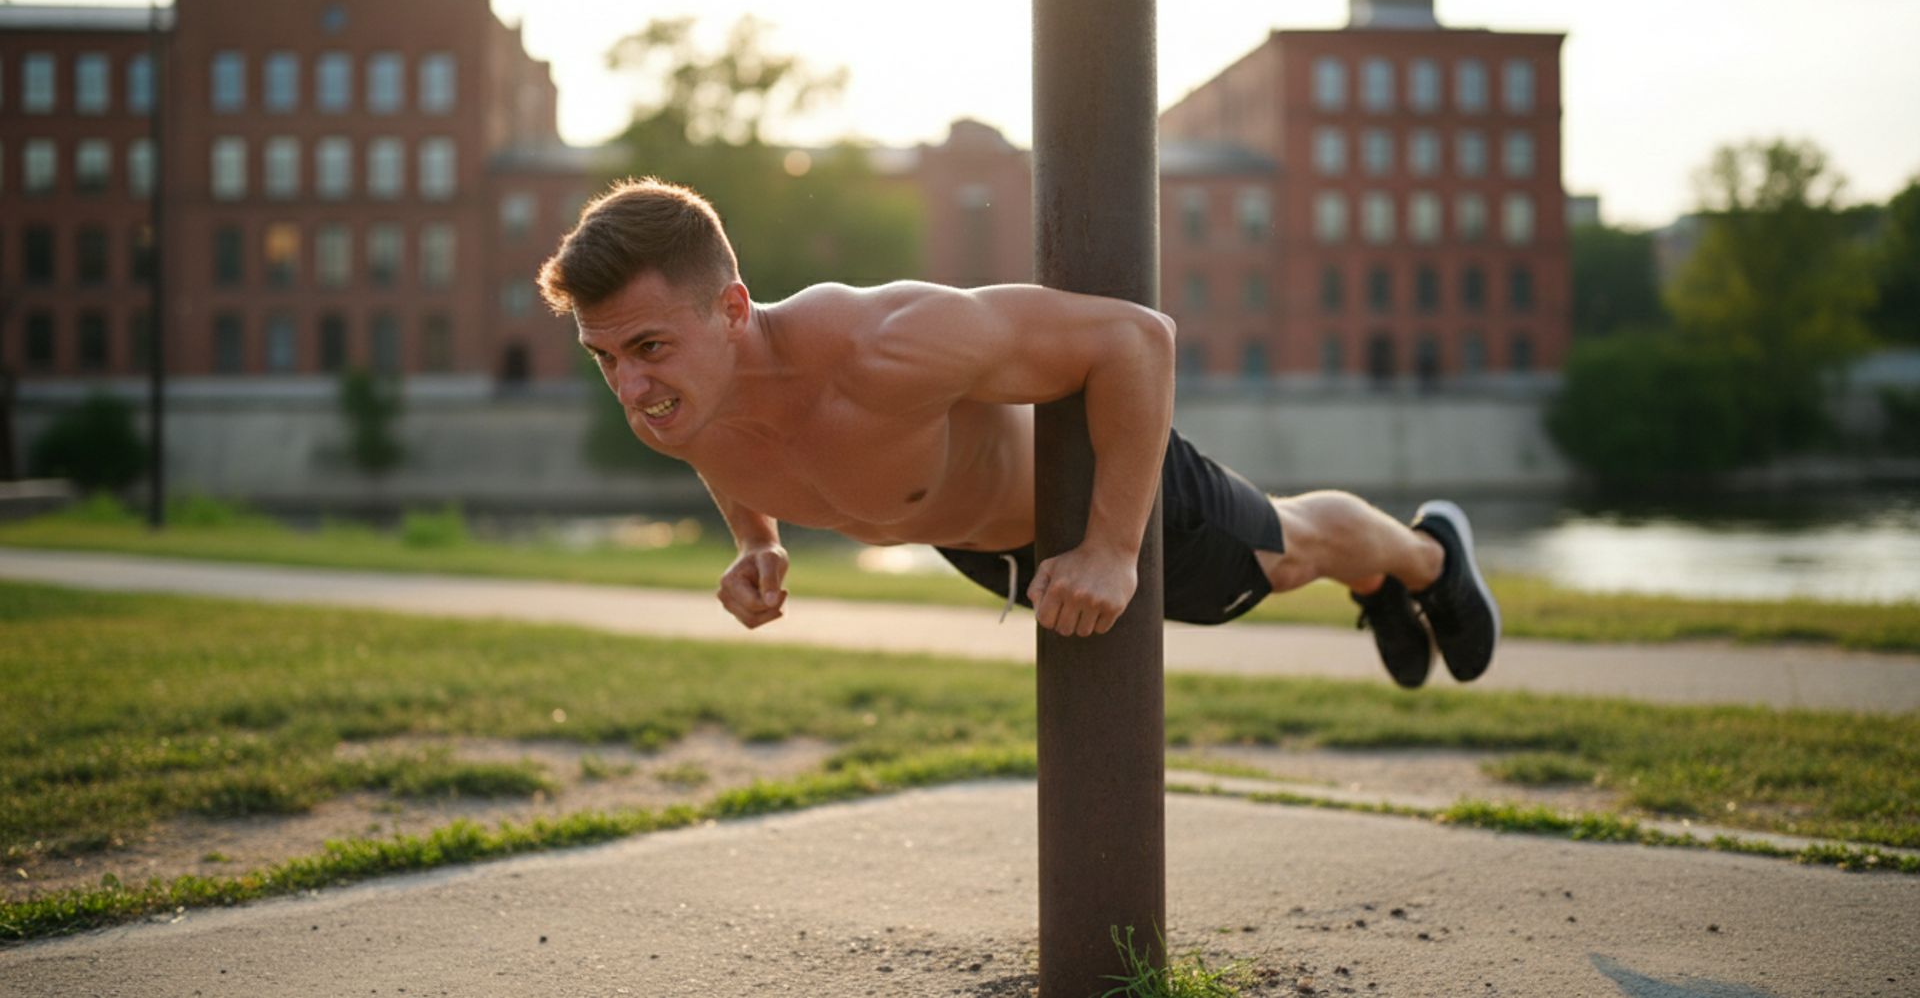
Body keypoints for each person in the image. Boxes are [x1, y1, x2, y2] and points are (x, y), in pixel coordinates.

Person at [537, 178, 1499, 689]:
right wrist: (756, 540)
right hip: (979, 539)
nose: (630, 385)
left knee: (1281, 559)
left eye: (649, 346)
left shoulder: (884, 346)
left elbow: (1138, 338)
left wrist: (1114, 548)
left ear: (734, 307)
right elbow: (726, 452)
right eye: (604, 357)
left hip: (1091, 492)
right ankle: (1384, 576)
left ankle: (1421, 556)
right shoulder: (678, 402)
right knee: (1270, 568)